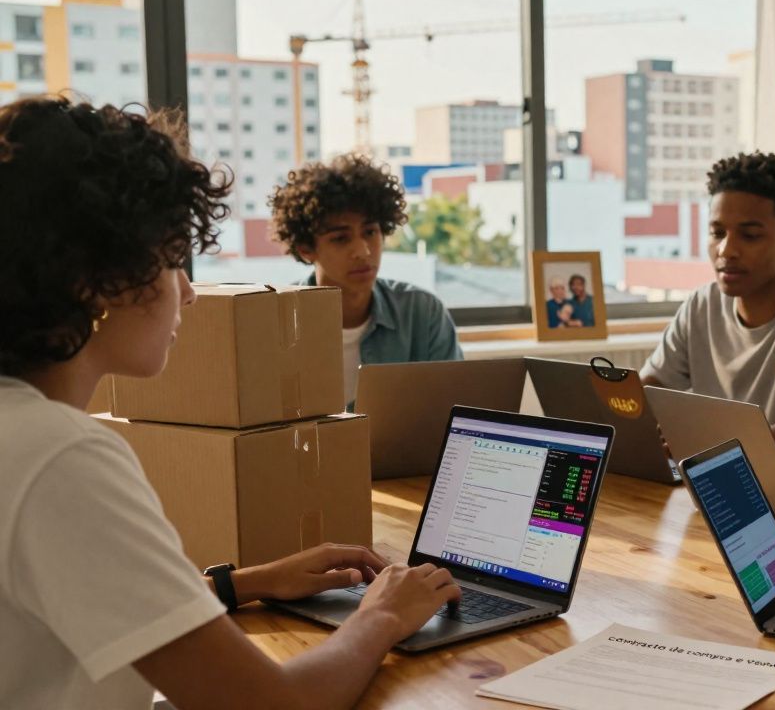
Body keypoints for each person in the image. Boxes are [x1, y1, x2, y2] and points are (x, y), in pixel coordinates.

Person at [0, 97, 461, 709]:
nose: (188, 292)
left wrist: (242, 584)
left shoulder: (21, 433)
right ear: (94, 282)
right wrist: (382, 615)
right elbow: (275, 706)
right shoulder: (61, 458)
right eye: (171, 261)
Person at [641, 151, 775, 445]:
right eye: (717, 233)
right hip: (704, 466)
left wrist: (693, 443)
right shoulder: (701, 306)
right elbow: (643, 396)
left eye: (749, 236)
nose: (726, 250)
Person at [269, 155, 462, 407]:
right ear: (306, 248)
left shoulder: (422, 314)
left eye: (370, 232)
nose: (363, 251)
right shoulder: (274, 323)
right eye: (340, 238)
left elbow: (454, 410)